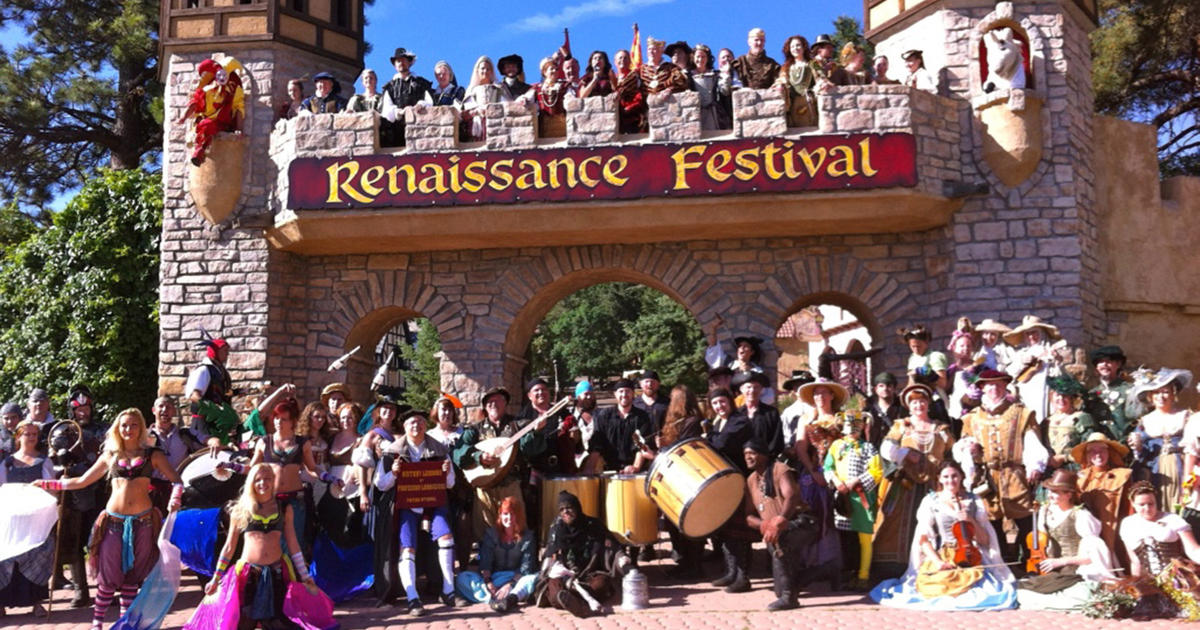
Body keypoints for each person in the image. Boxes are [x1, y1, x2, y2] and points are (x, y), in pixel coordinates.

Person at [35, 409, 183, 630]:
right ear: (117, 428)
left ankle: (125, 622)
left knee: (132, 577)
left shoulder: (153, 455)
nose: (128, 429)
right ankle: (98, 623)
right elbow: (83, 481)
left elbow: (177, 481)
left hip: (143, 523)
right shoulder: (111, 455)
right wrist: (49, 484)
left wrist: (175, 499)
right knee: (108, 575)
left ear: (141, 427)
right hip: (113, 522)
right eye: (124, 425)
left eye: (133, 425)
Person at [185, 464, 336, 630]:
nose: (262, 483)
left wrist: (305, 575)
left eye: (267, 479)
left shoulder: (284, 508)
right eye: (258, 479)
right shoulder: (240, 510)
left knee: (280, 621)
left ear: (273, 481)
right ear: (251, 482)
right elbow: (229, 547)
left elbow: (293, 544)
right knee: (244, 622)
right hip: (248, 576)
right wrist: (215, 578)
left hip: (277, 573)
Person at [871, 461, 1016, 610]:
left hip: (971, 555)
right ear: (939, 479)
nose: (950, 481)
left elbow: (985, 540)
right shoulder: (931, 501)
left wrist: (969, 519)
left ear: (961, 477)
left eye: (954, 476)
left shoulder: (974, 500)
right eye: (946, 477)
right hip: (942, 554)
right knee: (936, 586)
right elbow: (923, 539)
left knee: (981, 589)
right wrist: (938, 562)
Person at [374, 409, 466, 615]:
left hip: (434, 504)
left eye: (420, 422)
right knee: (407, 548)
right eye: (411, 423)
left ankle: (448, 591)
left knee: (446, 538)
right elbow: (380, 484)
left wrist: (446, 472)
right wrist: (394, 474)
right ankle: (412, 597)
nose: (416, 426)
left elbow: (450, 484)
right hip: (406, 506)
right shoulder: (392, 452)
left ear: (425, 425)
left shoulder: (439, 449)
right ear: (405, 427)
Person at [956, 369, 1048, 567]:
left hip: (1014, 472)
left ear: (1005, 386)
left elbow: (1031, 440)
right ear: (981, 388)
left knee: (1023, 514)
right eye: (989, 385)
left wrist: (1034, 464)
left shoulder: (1020, 412)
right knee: (991, 518)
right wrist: (969, 452)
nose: (994, 389)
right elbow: (963, 446)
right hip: (985, 476)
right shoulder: (972, 418)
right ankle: (1001, 560)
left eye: (998, 384)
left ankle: (1029, 561)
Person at [872, 383, 955, 578]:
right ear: (909, 406)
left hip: (934, 485)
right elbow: (886, 449)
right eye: (914, 402)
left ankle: (934, 562)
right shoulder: (902, 425)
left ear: (928, 404)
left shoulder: (940, 428)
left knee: (934, 523)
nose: (919, 406)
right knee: (896, 523)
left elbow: (953, 451)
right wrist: (906, 453)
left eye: (922, 401)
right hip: (905, 485)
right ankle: (895, 565)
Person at [452, 387, 546, 541]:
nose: (493, 404)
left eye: (498, 400)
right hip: (484, 488)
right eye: (489, 401)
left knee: (515, 529)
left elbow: (532, 450)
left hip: (511, 486)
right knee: (485, 534)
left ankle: (516, 562)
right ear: (485, 406)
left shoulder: (518, 426)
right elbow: (458, 454)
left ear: (505, 403)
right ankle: (487, 563)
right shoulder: (474, 430)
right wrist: (478, 457)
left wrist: (536, 432)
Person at [1015, 469, 1116, 610]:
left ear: (1069, 494)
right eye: (1050, 491)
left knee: (1074, 595)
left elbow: (1092, 556)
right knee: (1022, 588)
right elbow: (1041, 541)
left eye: (1056, 492)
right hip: (1053, 570)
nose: (1050, 495)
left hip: (1074, 570)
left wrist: (1061, 561)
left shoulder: (1080, 515)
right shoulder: (1045, 511)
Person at [744, 439, 816, 610]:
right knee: (779, 588)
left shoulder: (780, 469)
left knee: (779, 539)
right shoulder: (751, 480)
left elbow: (791, 497)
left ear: (763, 455)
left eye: (752, 453)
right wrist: (764, 525)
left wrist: (779, 520)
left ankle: (790, 598)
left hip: (802, 522)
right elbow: (747, 516)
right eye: (745, 454)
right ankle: (827, 569)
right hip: (773, 531)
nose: (748, 457)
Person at [1118, 481, 1200, 618]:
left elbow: (1193, 549)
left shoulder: (1173, 519)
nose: (1147, 508)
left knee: (1190, 607)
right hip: (1150, 581)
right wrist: (1136, 583)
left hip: (1176, 577)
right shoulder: (1127, 524)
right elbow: (1134, 561)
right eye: (1141, 505)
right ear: (1132, 503)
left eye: (1151, 503)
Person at [0, 420, 56, 617]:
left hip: (36, 521)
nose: (31, 437)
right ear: (18, 436)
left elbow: (52, 491)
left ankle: (37, 602)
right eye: (27, 434)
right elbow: (2, 490)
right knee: (6, 558)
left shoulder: (44, 461)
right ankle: (1, 604)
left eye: (34, 434)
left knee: (38, 555)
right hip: (13, 520)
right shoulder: (6, 463)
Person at [535, 491, 617, 618]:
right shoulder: (557, 529)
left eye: (569, 508)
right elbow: (549, 553)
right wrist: (544, 573)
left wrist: (623, 561)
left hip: (588, 573)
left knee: (602, 583)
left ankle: (574, 601)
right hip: (564, 575)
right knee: (555, 592)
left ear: (577, 508)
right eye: (561, 509)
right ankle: (579, 601)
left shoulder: (592, 525)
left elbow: (612, 544)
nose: (565, 512)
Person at [825, 411, 882, 590]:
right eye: (849, 427)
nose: (852, 431)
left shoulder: (868, 448)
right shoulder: (836, 446)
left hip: (861, 497)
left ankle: (863, 575)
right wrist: (835, 480)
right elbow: (828, 466)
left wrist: (855, 482)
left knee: (864, 538)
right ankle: (847, 573)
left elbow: (876, 471)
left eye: (856, 427)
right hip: (842, 498)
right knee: (845, 537)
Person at [657, 385, 706, 580]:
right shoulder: (673, 422)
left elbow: (687, 447)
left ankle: (694, 564)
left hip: (688, 476)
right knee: (673, 523)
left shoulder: (692, 422)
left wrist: (666, 446)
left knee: (689, 522)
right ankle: (683, 561)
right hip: (674, 476)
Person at [455, 496, 537, 612]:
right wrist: (489, 584)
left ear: (518, 516)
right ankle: (494, 598)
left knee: (532, 579)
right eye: (505, 514)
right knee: (462, 578)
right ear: (500, 515)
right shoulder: (491, 534)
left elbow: (526, 569)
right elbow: (485, 564)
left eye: (512, 514)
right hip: (495, 579)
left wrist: (509, 585)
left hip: (516, 579)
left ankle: (509, 597)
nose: (508, 518)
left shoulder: (527, 537)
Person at [1129, 367, 1193, 513]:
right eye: (1156, 392)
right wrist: (1138, 447)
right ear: (1150, 396)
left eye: (1165, 392)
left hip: (1181, 466)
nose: (1161, 396)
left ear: (1173, 394)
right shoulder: (1144, 422)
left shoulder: (1186, 416)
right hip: (1155, 470)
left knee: (1182, 504)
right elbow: (1141, 453)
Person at [176, 58, 245, 165]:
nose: (222, 78)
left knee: (207, 125)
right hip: (206, 121)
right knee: (206, 125)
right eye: (219, 75)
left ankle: (199, 153)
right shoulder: (206, 90)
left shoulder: (233, 90)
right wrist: (184, 117)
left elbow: (239, 107)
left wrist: (239, 129)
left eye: (224, 75)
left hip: (223, 123)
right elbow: (194, 103)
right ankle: (199, 152)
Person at [1073, 432, 1132, 556]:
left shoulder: (1122, 475)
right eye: (1092, 451)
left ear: (1109, 452)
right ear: (1087, 455)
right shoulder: (1079, 479)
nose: (1098, 454)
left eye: (1102, 450)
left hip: (1115, 533)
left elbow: (1131, 508)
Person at [1004, 314, 1062, 421]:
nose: (1031, 337)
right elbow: (1009, 376)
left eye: (1034, 332)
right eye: (1027, 334)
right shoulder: (1020, 354)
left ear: (1041, 333)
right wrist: (1022, 363)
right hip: (1026, 394)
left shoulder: (1050, 352)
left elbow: (1058, 377)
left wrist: (1057, 362)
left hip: (1045, 393)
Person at [1042, 375, 1101, 473]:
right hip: (1048, 471)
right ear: (1052, 397)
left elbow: (1089, 447)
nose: (1061, 399)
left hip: (1073, 470)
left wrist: (1064, 458)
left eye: (1065, 396)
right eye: (1057, 395)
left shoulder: (1082, 418)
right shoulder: (1046, 421)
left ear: (1072, 398)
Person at [790, 377, 847, 478]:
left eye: (824, 392)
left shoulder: (841, 418)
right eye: (816, 393)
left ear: (832, 396)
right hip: (815, 469)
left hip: (840, 469)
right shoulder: (806, 419)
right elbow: (801, 448)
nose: (820, 396)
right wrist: (814, 472)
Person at [186, 334, 236, 446]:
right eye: (224, 350)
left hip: (216, 423)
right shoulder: (203, 370)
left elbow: (222, 394)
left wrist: (239, 392)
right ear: (215, 352)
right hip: (203, 424)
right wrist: (213, 409)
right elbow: (194, 396)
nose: (227, 354)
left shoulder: (219, 371)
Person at [380, 47, 432, 147]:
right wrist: (398, 112)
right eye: (398, 61)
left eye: (403, 60)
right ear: (395, 65)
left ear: (409, 63)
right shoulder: (390, 87)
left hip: (420, 128)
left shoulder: (421, 83)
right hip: (396, 133)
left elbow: (430, 101)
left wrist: (421, 105)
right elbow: (386, 111)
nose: (401, 63)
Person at [1089, 345, 1142, 440]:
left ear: (1118, 364)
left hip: (1124, 445)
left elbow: (1139, 420)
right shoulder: (1091, 394)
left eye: (1109, 361)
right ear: (1096, 367)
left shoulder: (1130, 390)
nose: (1104, 365)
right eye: (1100, 362)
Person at [777, 35, 816, 128]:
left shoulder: (812, 64)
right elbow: (781, 80)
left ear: (804, 47)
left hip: (809, 101)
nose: (795, 48)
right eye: (792, 46)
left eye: (798, 45)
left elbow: (821, 78)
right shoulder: (786, 67)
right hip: (792, 102)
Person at [461, 56, 503, 142]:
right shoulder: (472, 90)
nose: (485, 71)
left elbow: (505, 103)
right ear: (478, 71)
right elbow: (467, 106)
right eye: (483, 68)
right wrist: (477, 111)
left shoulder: (498, 88)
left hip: (495, 123)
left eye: (488, 69)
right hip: (476, 124)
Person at [526, 57, 568, 138]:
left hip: (562, 124)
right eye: (551, 69)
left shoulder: (564, 86)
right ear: (544, 72)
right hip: (544, 126)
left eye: (556, 69)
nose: (554, 71)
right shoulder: (537, 88)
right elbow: (527, 98)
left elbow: (570, 98)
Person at [687, 44, 726, 130]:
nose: (700, 59)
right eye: (698, 57)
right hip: (696, 113)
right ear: (693, 58)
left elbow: (723, 90)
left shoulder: (715, 75)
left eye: (703, 57)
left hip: (713, 113)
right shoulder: (688, 76)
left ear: (707, 59)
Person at [779, 369, 816, 455]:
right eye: (797, 386)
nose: (800, 389)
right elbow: (786, 435)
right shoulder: (788, 412)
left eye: (803, 385)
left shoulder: (818, 407)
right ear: (793, 389)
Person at [902, 325, 948, 392]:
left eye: (919, 346)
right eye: (913, 346)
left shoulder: (936, 356)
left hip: (934, 396)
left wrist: (926, 372)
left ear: (926, 343)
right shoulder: (912, 358)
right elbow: (911, 382)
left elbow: (942, 384)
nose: (916, 349)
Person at [865, 372, 905, 449]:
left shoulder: (902, 409)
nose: (885, 389)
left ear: (894, 388)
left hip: (895, 452)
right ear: (876, 389)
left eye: (889, 386)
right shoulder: (868, 410)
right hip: (873, 453)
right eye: (881, 386)